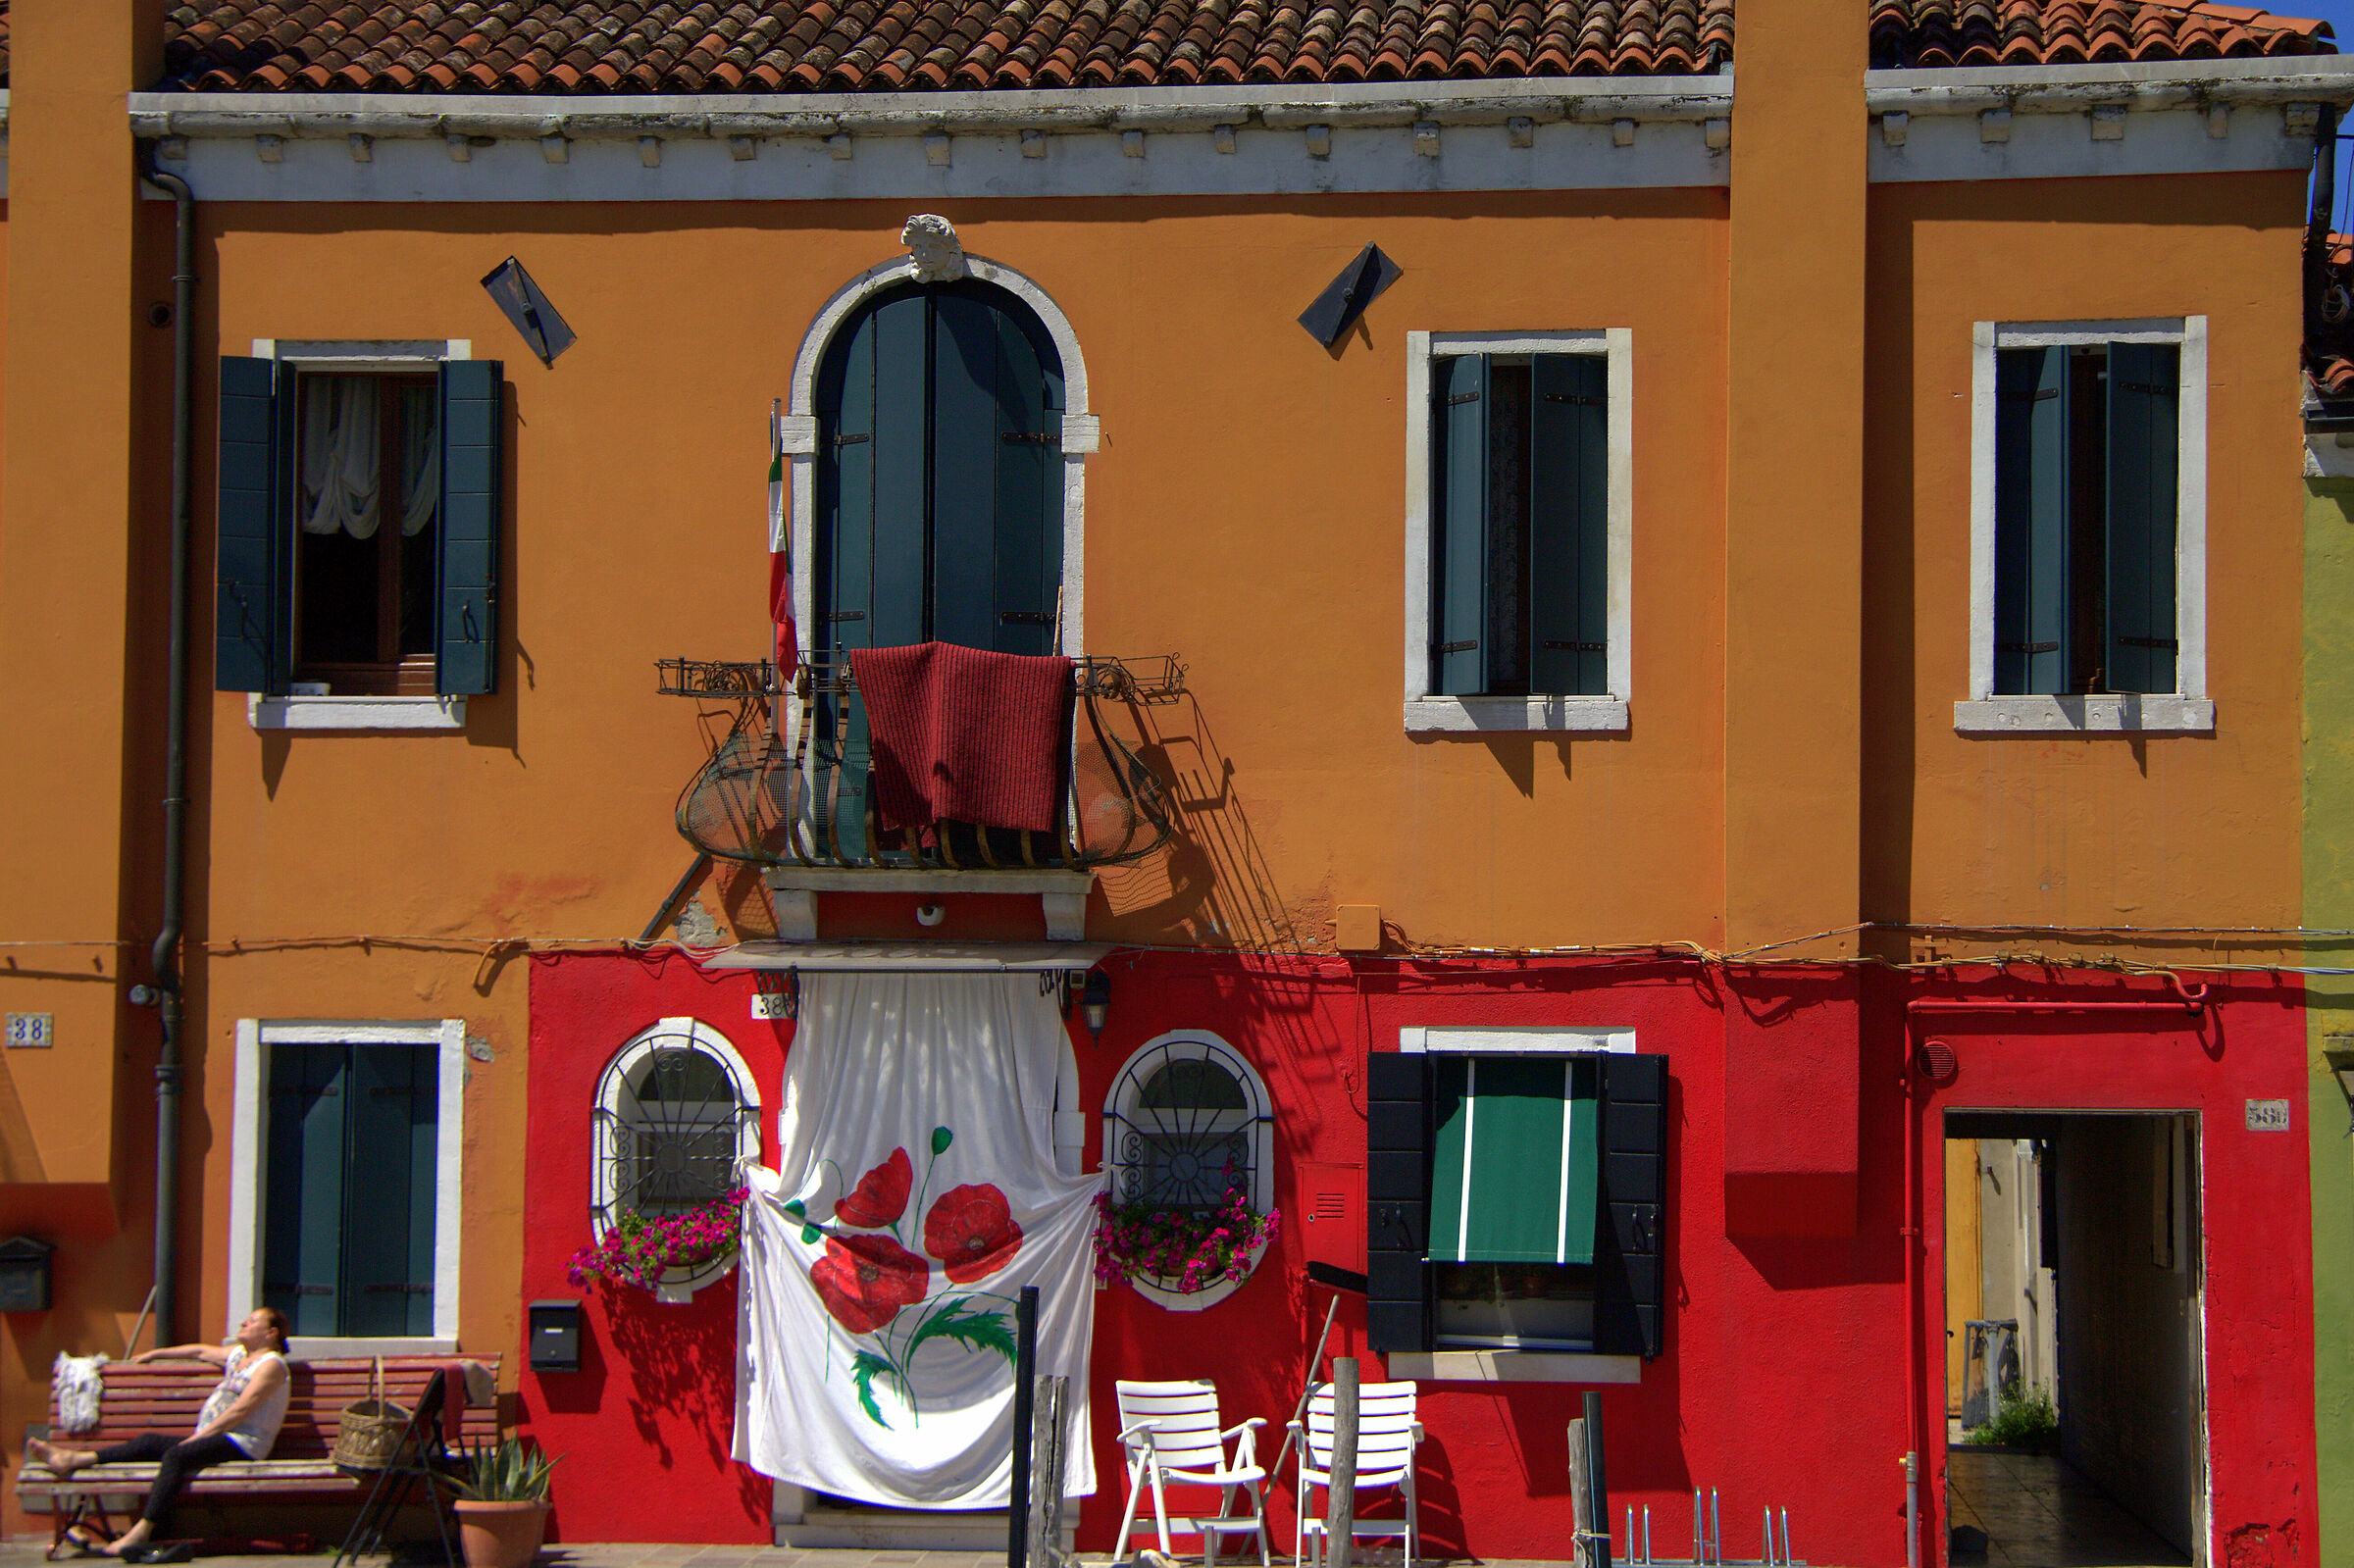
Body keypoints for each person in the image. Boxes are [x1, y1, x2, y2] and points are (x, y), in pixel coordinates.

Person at [28, 1308, 293, 1561]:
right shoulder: (239, 1355)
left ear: (270, 1333)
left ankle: (142, 1531)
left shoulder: (271, 1365)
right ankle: (74, 1459)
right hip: (214, 1436)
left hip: (243, 1443)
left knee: (176, 1456)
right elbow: (199, 1351)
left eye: (252, 1321)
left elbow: (241, 1410)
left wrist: (197, 1439)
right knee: (149, 1442)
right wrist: (155, 1353)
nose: (244, 1323)